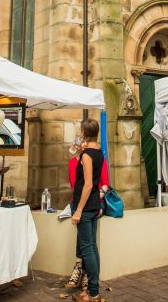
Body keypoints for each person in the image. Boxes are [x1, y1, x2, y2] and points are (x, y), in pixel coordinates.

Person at [66, 137, 109, 290]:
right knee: (85, 239)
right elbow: (75, 185)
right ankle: (83, 272)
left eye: (84, 140)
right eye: (79, 142)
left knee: (88, 242)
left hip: (93, 201)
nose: (81, 144)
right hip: (79, 201)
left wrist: (96, 197)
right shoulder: (73, 163)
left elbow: (104, 183)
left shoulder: (96, 158)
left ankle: (84, 274)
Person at [70, 119, 104, 302]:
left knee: (87, 249)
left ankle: (93, 293)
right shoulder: (97, 152)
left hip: (86, 206)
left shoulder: (87, 155)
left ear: (83, 132)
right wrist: (79, 151)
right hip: (94, 205)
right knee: (92, 247)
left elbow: (88, 184)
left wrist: (78, 211)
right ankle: (93, 290)